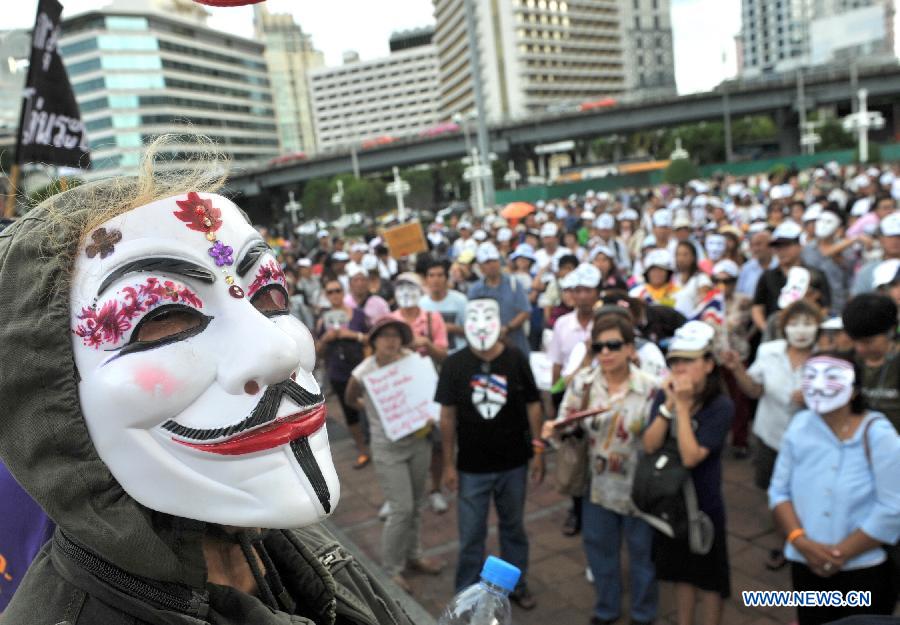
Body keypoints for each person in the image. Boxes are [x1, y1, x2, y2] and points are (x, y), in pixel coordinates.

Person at [0, 156, 413, 623]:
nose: (279, 351)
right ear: (48, 392)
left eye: (270, 295)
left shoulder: (298, 542)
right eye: (162, 318)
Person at [769, 352, 900, 625]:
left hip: (863, 571)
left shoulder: (879, 435)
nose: (818, 385)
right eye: (810, 376)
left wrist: (840, 555)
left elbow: (892, 507)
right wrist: (800, 541)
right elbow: (779, 492)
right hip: (805, 563)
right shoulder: (799, 426)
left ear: (854, 390)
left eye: (832, 377)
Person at [546, 313, 661, 625]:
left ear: (630, 348)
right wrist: (556, 429)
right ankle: (606, 609)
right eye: (599, 346)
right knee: (600, 550)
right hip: (596, 485)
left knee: (643, 554)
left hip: (639, 484)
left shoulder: (651, 388)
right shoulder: (582, 385)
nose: (606, 353)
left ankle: (643, 613)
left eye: (614, 345)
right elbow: (566, 424)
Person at [437, 298, 544, 610]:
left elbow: (534, 404)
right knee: (471, 534)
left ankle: (516, 586)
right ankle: (466, 595)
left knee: (513, 527)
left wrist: (538, 450)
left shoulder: (515, 358)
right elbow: (447, 416)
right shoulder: (455, 364)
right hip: (471, 466)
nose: (482, 325)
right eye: (475, 318)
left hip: (514, 463)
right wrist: (448, 464)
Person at [344, 317, 445, 592]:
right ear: (374, 340)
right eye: (384, 335)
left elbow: (429, 390)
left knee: (416, 503)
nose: (391, 340)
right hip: (388, 447)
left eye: (396, 335)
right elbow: (350, 399)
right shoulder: (364, 371)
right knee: (401, 508)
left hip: (418, 441)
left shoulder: (412, 360)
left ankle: (414, 556)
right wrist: (373, 410)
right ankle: (392, 569)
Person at [643, 321, 733, 625]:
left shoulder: (720, 406)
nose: (679, 368)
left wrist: (681, 407)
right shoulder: (663, 397)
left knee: (710, 581)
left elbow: (691, 456)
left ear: (708, 364)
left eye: (688, 361)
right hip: (669, 502)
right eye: (674, 361)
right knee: (681, 575)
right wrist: (669, 406)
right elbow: (649, 444)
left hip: (703, 507)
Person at [721, 299, 821, 568]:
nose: (801, 331)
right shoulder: (769, 352)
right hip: (771, 436)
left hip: (811, 444)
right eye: (795, 323)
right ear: (784, 327)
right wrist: (737, 369)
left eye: (808, 324)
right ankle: (786, 541)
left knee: (810, 493)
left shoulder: (826, 358)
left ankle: (808, 542)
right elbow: (754, 390)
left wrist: (815, 398)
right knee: (776, 493)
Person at [546, 263, 602, 536]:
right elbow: (557, 363)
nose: (582, 296)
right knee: (574, 456)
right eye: (578, 291)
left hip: (602, 397)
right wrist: (555, 401)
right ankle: (577, 509)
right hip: (573, 398)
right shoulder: (562, 324)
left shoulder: (606, 321)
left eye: (588, 290)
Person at [389, 271, 450, 514]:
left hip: (430, 391)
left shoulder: (433, 318)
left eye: (411, 286)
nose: (406, 292)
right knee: (401, 445)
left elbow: (444, 355)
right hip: (399, 391)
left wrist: (425, 343)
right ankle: (398, 495)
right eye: (401, 287)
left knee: (435, 443)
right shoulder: (390, 320)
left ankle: (435, 489)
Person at [316, 278, 371, 468]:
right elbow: (317, 352)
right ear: (326, 295)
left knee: (371, 406)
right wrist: (325, 339)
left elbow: (371, 339)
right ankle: (362, 449)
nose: (334, 295)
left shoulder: (357, 315)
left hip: (362, 369)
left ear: (343, 292)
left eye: (337, 290)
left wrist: (353, 335)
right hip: (338, 373)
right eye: (330, 292)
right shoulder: (323, 320)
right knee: (350, 412)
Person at [752, 221, 831, 332]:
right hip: (775, 332)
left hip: (807, 332)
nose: (781, 251)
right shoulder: (767, 276)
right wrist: (767, 328)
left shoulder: (816, 275)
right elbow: (757, 307)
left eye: (786, 245)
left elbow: (825, 307)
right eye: (777, 247)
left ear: (799, 246)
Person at [842, 294, 899, 432]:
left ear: (890, 332)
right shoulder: (847, 362)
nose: (860, 348)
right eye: (855, 341)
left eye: (868, 342)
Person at [468, 242, 531, 355]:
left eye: (494, 261)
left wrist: (507, 328)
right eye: (487, 262)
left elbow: (525, 311)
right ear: (481, 267)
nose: (492, 265)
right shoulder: (475, 290)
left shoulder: (514, 284)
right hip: (488, 345)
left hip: (515, 341)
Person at [420, 258, 469, 353]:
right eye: (431, 275)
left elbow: (472, 330)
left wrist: (453, 328)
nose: (436, 280)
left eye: (440, 275)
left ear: (446, 278)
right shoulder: (421, 304)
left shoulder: (460, 300)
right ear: (426, 279)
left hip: (459, 353)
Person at [853, 210, 900, 295]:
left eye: (898, 237)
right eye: (890, 236)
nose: (895, 241)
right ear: (880, 239)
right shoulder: (867, 271)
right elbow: (858, 302)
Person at [673, 240, 712, 318]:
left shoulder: (702, 279)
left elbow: (705, 306)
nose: (681, 259)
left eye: (685, 255)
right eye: (678, 254)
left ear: (693, 257)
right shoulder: (674, 278)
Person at [736, 227, 776, 297]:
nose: (755, 249)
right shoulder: (746, 268)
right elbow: (739, 292)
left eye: (758, 244)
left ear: (770, 246)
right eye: (752, 245)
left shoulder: (779, 266)